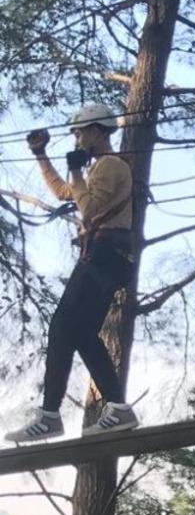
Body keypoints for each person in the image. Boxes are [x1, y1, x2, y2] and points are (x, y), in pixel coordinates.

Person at [5, 104, 138, 442]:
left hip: (104, 256)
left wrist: (77, 172)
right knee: (80, 333)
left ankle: (50, 415)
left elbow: (89, 209)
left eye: (80, 132)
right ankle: (118, 408)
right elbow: (67, 193)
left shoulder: (110, 165)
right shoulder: (99, 167)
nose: (77, 138)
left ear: (96, 130)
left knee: (62, 325)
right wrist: (41, 156)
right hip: (107, 258)